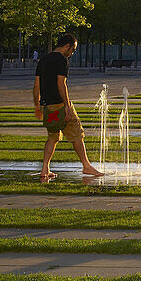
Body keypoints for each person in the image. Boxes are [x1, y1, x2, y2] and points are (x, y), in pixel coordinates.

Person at [33, 33, 104, 181]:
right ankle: (86, 165)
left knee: (52, 137)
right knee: (76, 133)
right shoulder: (62, 60)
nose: (72, 53)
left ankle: (45, 168)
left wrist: (37, 105)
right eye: (73, 49)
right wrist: (67, 106)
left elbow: (36, 86)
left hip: (48, 106)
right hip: (60, 104)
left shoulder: (43, 60)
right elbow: (61, 84)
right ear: (67, 46)